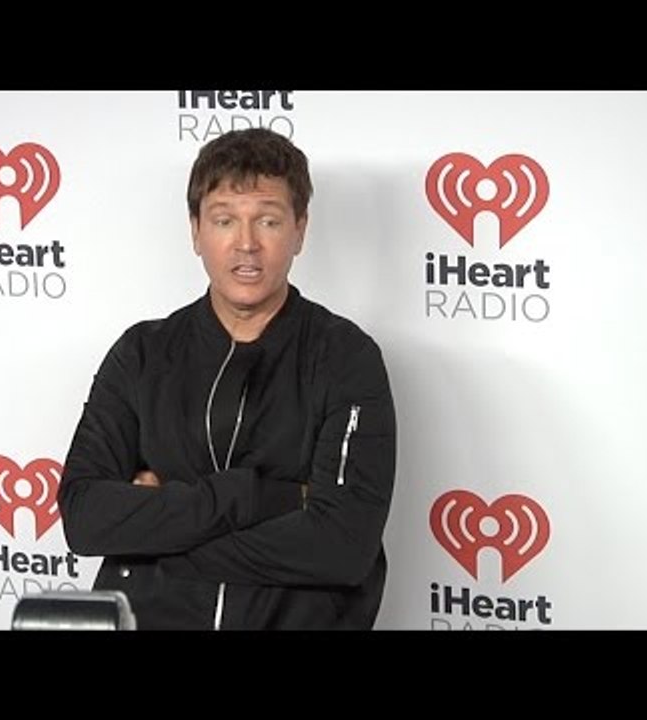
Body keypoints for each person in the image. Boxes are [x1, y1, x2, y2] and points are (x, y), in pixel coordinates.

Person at [57, 127, 396, 630]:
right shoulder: (143, 353)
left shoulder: (345, 357)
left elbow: (342, 547)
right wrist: (269, 498)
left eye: (268, 220)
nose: (246, 244)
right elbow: (85, 518)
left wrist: (155, 533)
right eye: (223, 219)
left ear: (300, 230)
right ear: (195, 231)